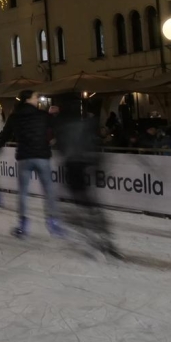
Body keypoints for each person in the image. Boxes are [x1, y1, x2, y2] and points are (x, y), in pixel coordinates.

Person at [53, 95, 121, 258]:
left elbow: (60, 148)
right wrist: (97, 164)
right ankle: (105, 239)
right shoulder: (85, 125)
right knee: (91, 206)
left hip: (73, 167)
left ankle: (94, 239)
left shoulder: (63, 126)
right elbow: (93, 144)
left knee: (81, 205)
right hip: (84, 167)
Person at [0, 90, 62, 239]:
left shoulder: (14, 116)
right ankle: (53, 222)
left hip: (24, 157)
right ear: (28, 99)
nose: (38, 100)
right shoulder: (42, 115)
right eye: (36, 97)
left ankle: (23, 224)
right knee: (49, 190)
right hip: (42, 156)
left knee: (23, 192)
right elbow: (57, 129)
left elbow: (4, 135)